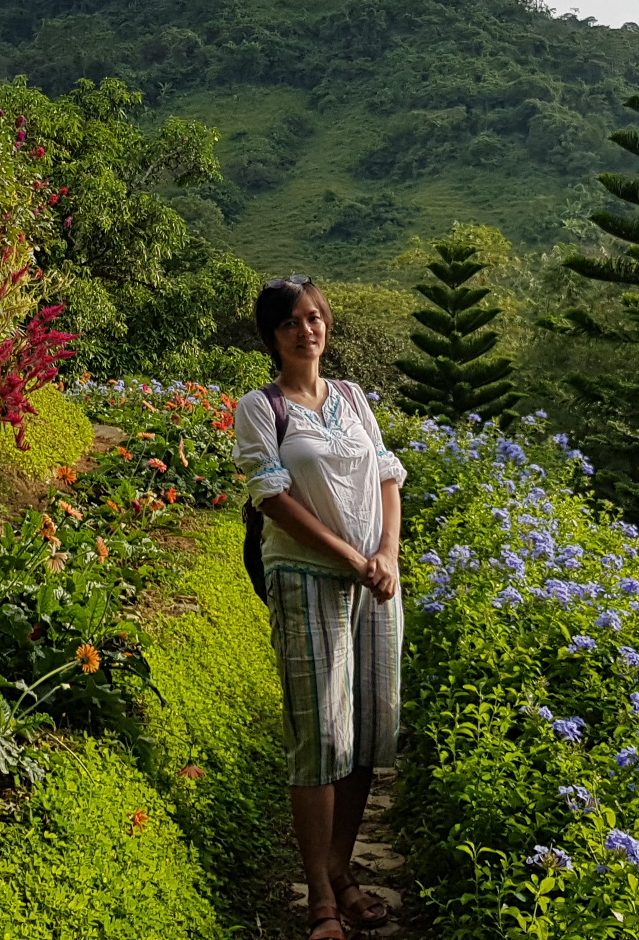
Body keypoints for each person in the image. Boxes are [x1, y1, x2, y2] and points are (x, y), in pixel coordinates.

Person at [235, 275, 405, 940]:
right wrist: (349, 557)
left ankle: (342, 869)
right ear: (272, 338)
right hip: (307, 578)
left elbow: (389, 476)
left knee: (366, 731)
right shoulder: (260, 405)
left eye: (315, 317)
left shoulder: (355, 398)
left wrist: (385, 554)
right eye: (292, 323)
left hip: (375, 581)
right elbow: (272, 497)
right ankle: (317, 899)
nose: (309, 330)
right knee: (321, 736)